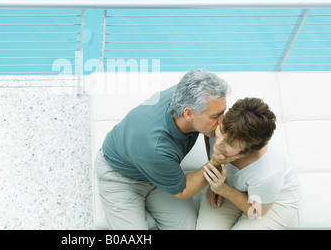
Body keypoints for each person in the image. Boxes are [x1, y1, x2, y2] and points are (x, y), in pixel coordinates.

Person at [95, 69, 243, 230]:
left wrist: (217, 181)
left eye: (223, 113)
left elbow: (214, 131)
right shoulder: (155, 147)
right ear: (188, 114)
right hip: (121, 178)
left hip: (161, 171)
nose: (222, 123)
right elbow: (184, 190)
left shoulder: (189, 95)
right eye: (216, 117)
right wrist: (215, 162)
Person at [197, 97, 301, 230]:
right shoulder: (226, 125)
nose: (218, 144)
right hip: (232, 186)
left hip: (268, 204)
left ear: (248, 151)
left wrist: (221, 189)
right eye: (221, 132)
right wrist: (214, 181)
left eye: (230, 144)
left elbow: (257, 211)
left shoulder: (268, 173)